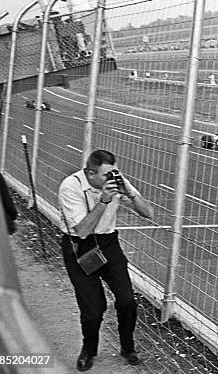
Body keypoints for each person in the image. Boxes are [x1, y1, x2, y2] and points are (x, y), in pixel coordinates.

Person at [58, 150, 153, 371]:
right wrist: (104, 199)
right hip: (80, 247)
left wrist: (130, 194)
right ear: (90, 173)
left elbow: (148, 213)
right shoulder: (70, 187)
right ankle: (89, 350)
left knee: (127, 301)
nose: (110, 179)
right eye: (105, 175)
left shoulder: (115, 180)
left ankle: (128, 347)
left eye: (113, 173)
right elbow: (82, 231)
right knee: (93, 310)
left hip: (108, 244)